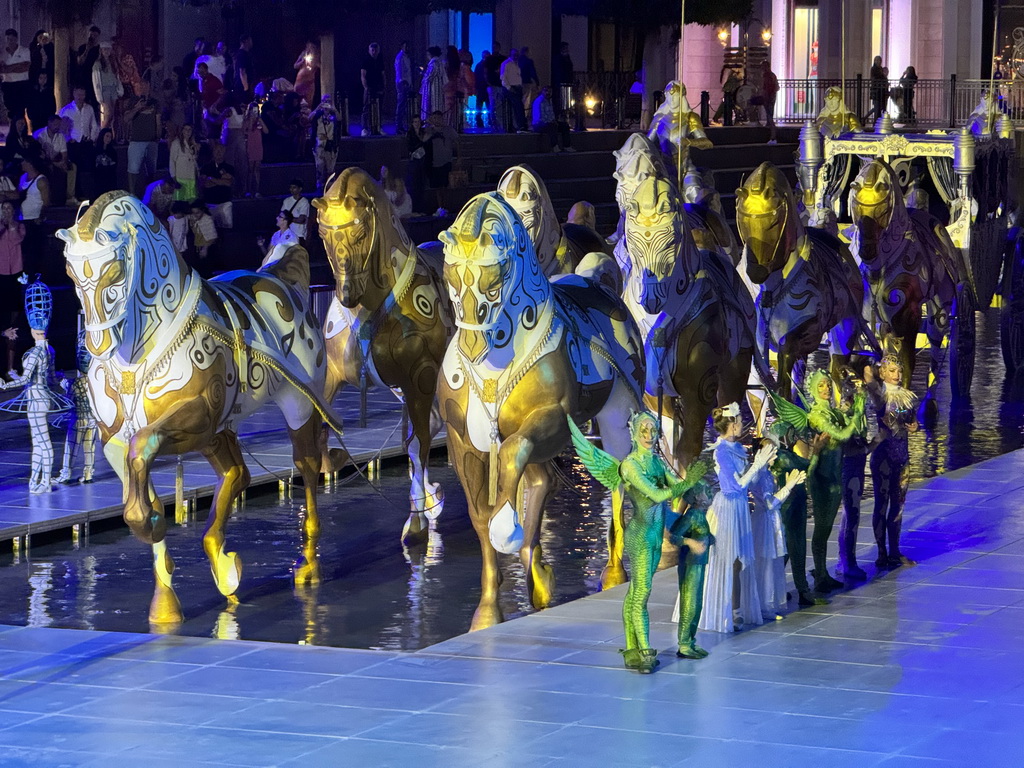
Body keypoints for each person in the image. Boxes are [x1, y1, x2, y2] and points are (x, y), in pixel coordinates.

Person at [569, 413, 707, 674]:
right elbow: (656, 495)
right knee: (642, 593)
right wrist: (686, 483)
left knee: (636, 593)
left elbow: (676, 485)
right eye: (643, 430)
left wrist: (695, 486)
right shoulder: (630, 466)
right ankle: (644, 650)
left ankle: (632, 647)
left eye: (652, 429)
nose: (648, 434)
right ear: (633, 433)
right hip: (641, 536)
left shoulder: (655, 462)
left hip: (656, 535)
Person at [699, 402, 776, 633]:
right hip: (728, 507)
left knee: (741, 559)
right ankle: (728, 611)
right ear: (731, 425)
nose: (743, 424)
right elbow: (733, 487)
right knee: (730, 559)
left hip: (741, 507)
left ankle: (738, 607)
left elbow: (748, 485)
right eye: (740, 421)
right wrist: (756, 466)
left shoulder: (739, 449)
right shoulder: (721, 451)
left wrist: (760, 469)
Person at [0, 278, 69, 493]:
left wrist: (4, 386)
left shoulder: (34, 353)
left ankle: (44, 481)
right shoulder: (50, 351)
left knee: (41, 440)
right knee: (39, 439)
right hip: (44, 396)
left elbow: (25, 380)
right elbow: (51, 379)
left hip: (35, 398)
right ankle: (37, 478)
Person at [805, 370, 865, 593]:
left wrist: (856, 404)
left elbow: (855, 428)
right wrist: (858, 408)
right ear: (813, 390)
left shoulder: (832, 412)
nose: (826, 389)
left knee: (827, 527)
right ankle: (819, 574)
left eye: (828, 385)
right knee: (821, 528)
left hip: (835, 474)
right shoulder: (817, 416)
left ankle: (821, 571)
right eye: (821, 386)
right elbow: (842, 435)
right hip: (822, 478)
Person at [865, 355, 919, 569]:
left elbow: (912, 421)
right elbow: (868, 377)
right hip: (883, 458)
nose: (897, 375)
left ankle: (895, 551)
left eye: (899, 371)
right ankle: (881, 552)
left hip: (902, 458)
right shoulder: (880, 395)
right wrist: (873, 364)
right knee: (881, 504)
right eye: (892, 371)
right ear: (883, 373)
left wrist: (916, 426)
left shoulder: (907, 396)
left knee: (898, 506)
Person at [749, 435, 806, 620]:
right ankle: (764, 605)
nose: (775, 454)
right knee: (765, 562)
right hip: (764, 522)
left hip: (770, 520)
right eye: (770, 450)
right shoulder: (760, 476)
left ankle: (769, 603)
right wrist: (788, 487)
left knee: (772, 562)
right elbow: (769, 504)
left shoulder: (768, 474)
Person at [670, 479, 714, 659]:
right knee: (690, 603)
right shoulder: (692, 515)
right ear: (696, 496)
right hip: (690, 565)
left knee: (697, 603)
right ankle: (684, 644)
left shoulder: (700, 515)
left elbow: (702, 534)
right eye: (705, 490)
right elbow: (674, 536)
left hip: (699, 563)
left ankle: (690, 640)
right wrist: (691, 542)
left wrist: (709, 538)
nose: (709, 494)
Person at [837, 369, 872, 581]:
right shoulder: (846, 413)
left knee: (852, 513)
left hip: (858, 464)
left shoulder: (860, 412)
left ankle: (847, 560)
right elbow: (847, 441)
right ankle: (847, 561)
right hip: (849, 465)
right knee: (850, 513)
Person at [56, 337, 97, 485]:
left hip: (78, 418)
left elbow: (69, 399)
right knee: (89, 448)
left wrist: (63, 382)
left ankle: (66, 473)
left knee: (71, 447)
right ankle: (88, 473)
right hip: (92, 419)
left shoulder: (75, 383)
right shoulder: (95, 382)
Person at [0, 200, 25, 371]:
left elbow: (17, 240)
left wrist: (12, 225)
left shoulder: (20, 226)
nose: (7, 211)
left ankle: (11, 367)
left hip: (15, 273)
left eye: (9, 208)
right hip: (1, 274)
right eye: (4, 208)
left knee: (14, 317)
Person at [125, 80, 161, 197]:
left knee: (151, 169)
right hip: (136, 140)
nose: (143, 88)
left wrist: (158, 136)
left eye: (146, 85)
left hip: (152, 141)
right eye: (141, 86)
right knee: (133, 169)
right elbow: (126, 119)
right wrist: (137, 108)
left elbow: (158, 121)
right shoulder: (132, 102)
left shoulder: (154, 102)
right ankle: (132, 194)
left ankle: (150, 194)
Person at [34, 114, 78, 206]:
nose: (57, 127)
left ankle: (70, 196)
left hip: (57, 159)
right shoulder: (40, 135)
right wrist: (55, 163)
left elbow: (64, 153)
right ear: (49, 123)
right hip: (44, 162)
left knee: (72, 167)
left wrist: (63, 162)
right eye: (55, 124)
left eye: (59, 125)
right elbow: (40, 155)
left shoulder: (60, 136)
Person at [425, 110, 457, 214]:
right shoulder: (429, 131)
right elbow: (423, 139)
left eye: (438, 118)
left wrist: (459, 157)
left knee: (445, 186)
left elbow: (457, 141)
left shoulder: (449, 130)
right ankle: (440, 207)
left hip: (446, 161)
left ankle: (446, 206)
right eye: (434, 118)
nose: (437, 120)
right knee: (437, 187)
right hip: (434, 162)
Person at [1, 29, 31, 126]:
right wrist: (17, 65)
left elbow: (25, 67)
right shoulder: (2, 53)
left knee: (20, 110)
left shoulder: (24, 51)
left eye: (12, 39)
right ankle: (12, 131)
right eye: (8, 39)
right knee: (10, 110)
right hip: (8, 84)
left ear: (16, 39)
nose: (10, 41)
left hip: (21, 84)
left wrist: (8, 68)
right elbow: (2, 69)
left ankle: (22, 132)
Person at [311, 96, 340, 192]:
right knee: (319, 166)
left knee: (330, 168)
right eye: (324, 101)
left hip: (331, 144)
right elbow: (309, 118)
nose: (326, 104)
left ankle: (331, 188)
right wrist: (318, 108)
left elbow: (340, 119)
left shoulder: (334, 115)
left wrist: (333, 108)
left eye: (328, 101)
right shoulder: (318, 115)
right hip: (319, 144)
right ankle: (319, 187)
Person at [532, 86, 573, 153]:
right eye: (546, 91)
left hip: (549, 121)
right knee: (552, 127)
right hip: (539, 124)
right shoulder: (539, 102)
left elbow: (551, 114)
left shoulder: (549, 100)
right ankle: (554, 146)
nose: (548, 93)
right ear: (542, 92)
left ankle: (567, 146)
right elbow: (540, 117)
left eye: (550, 91)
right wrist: (552, 121)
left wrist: (554, 120)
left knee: (564, 126)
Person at [220, 95, 247, 193]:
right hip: (241, 136)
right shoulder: (241, 110)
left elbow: (218, 121)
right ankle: (242, 189)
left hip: (231, 135)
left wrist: (210, 113)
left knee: (229, 162)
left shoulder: (229, 110)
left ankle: (231, 189)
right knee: (241, 163)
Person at [360, 42, 385, 136]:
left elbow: (383, 74)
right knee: (366, 108)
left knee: (379, 108)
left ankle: (378, 127)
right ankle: (364, 128)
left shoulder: (380, 60)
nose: (374, 52)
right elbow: (363, 75)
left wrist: (383, 86)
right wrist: (366, 87)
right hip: (369, 87)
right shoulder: (366, 61)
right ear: (369, 50)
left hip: (378, 87)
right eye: (372, 50)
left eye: (376, 50)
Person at [169, 123, 199, 201]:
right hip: (181, 178)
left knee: (191, 201)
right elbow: (172, 160)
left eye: (190, 130)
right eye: (186, 129)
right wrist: (173, 177)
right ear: (182, 131)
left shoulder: (193, 143)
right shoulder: (176, 143)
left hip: (191, 178)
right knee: (180, 201)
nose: (188, 132)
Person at [200, 141, 235, 206]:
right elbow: (205, 183)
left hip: (225, 202)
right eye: (216, 150)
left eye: (221, 149)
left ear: (225, 151)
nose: (219, 152)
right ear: (213, 151)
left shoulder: (230, 168)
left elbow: (229, 183)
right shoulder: (205, 167)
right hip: (209, 202)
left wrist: (212, 179)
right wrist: (221, 181)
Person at [243, 102, 267, 197]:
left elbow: (266, 131)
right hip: (250, 145)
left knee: (257, 168)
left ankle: (257, 190)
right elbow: (245, 130)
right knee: (250, 169)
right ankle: (248, 190)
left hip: (258, 145)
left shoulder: (259, 121)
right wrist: (251, 119)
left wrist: (259, 120)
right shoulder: (246, 120)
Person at [406, 115, 428, 213]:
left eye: (418, 121)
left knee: (421, 184)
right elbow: (410, 147)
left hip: (423, 160)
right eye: (415, 122)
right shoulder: (410, 134)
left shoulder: (423, 132)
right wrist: (421, 142)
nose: (417, 124)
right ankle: (414, 209)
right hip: (414, 160)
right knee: (414, 185)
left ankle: (421, 208)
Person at [500, 48, 526, 132]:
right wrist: (509, 88)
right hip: (511, 88)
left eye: (517, 54)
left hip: (517, 87)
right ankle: (520, 125)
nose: (516, 56)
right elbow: (503, 77)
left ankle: (518, 125)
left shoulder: (517, 64)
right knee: (518, 107)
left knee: (519, 107)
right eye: (514, 54)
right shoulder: (506, 64)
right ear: (510, 54)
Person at [74, 26, 101, 104]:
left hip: (94, 76)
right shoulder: (82, 48)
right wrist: (87, 49)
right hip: (83, 77)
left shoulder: (99, 49)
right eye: (91, 35)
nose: (93, 37)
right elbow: (80, 62)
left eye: (95, 35)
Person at [420, 47, 446, 124]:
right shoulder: (439, 62)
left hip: (433, 88)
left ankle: (432, 122)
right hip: (438, 88)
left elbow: (429, 76)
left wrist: (423, 73)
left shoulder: (434, 63)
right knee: (437, 105)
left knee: (433, 106)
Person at [280, 178, 310, 245]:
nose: (292, 189)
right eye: (290, 187)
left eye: (294, 187)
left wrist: (288, 218)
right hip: (287, 234)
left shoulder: (304, 202)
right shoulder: (286, 201)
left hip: (299, 234)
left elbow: (301, 220)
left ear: (300, 189)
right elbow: (282, 216)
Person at [394, 41, 413, 134]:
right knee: (401, 105)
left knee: (405, 105)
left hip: (407, 83)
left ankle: (404, 125)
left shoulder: (407, 57)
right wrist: (402, 81)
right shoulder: (400, 57)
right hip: (402, 84)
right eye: (406, 46)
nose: (408, 48)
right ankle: (398, 126)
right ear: (402, 47)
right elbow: (399, 71)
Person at [93, 128, 118, 196]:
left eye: (110, 137)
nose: (108, 139)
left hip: (109, 178)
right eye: (107, 136)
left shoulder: (112, 151)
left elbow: (115, 164)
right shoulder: (94, 150)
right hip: (98, 178)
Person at [294, 42, 319, 106]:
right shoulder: (303, 54)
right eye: (308, 46)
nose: (309, 48)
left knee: (308, 101)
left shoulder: (317, 56)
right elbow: (295, 66)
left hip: (310, 81)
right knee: (298, 98)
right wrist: (302, 61)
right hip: (301, 80)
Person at [554, 42, 574, 113]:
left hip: (568, 81)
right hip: (561, 80)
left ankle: (567, 110)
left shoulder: (567, 57)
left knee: (568, 96)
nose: (567, 50)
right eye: (566, 48)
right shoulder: (559, 58)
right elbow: (560, 69)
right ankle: (562, 111)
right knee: (562, 97)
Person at [762, 60, 779, 144]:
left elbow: (768, 87)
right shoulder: (771, 75)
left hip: (769, 96)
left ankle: (773, 135)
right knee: (769, 113)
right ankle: (769, 126)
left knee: (769, 114)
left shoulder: (768, 76)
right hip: (769, 96)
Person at [867, 55, 886, 124]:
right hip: (876, 90)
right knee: (876, 107)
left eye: (879, 60)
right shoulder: (873, 69)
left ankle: (879, 122)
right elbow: (874, 78)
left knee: (880, 108)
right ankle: (875, 123)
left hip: (881, 91)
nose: (878, 62)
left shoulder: (881, 68)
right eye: (877, 60)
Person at [519, 46, 539, 110]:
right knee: (526, 100)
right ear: (526, 52)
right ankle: (524, 115)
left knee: (519, 99)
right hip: (526, 81)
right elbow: (533, 72)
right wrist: (537, 82)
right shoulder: (529, 61)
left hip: (517, 83)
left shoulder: (517, 60)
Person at [473, 50, 489, 128]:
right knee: (480, 106)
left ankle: (487, 120)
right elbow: (476, 77)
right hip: (481, 88)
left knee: (485, 106)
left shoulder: (479, 65)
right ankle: (479, 120)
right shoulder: (479, 66)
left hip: (485, 87)